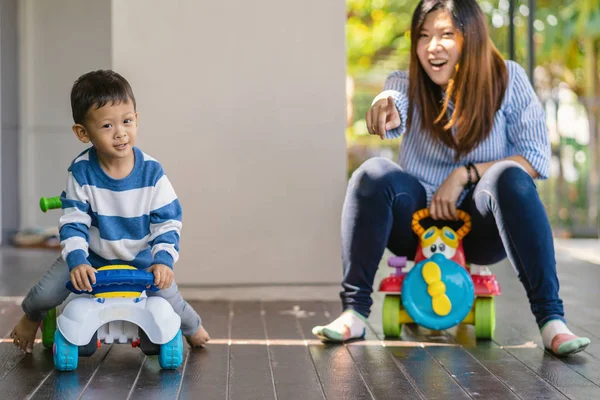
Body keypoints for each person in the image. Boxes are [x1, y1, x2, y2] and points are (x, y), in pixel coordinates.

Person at [313, 0, 590, 356]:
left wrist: (464, 175)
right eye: (423, 36)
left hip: (479, 228)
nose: (432, 46)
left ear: (470, 37)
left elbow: (536, 157)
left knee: (511, 175)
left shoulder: (508, 78)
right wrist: (385, 104)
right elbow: (395, 99)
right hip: (416, 227)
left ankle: (552, 320)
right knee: (372, 174)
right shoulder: (407, 82)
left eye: (446, 34)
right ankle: (353, 312)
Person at [10, 70, 210, 353]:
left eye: (127, 121)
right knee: (47, 292)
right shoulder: (82, 172)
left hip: (139, 259)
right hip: (91, 257)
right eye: (106, 126)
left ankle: (193, 329)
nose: (120, 132)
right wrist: (78, 260)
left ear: (136, 120)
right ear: (83, 133)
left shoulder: (152, 173)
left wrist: (163, 259)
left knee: (171, 299)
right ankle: (31, 317)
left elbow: (167, 222)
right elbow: (74, 222)